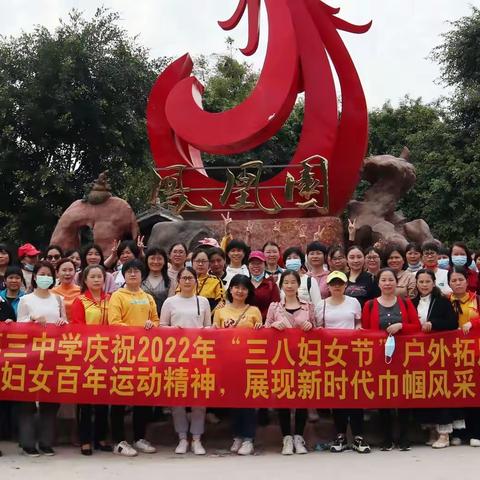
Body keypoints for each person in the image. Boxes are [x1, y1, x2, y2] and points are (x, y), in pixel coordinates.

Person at [362, 268, 421, 451]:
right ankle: (386, 438)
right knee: (383, 397)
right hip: (379, 357)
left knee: (403, 396)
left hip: (402, 357)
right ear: (378, 284)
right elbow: (365, 331)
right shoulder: (370, 305)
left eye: (391, 280)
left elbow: (416, 326)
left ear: (396, 283)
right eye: (384, 280)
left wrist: (401, 326)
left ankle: (404, 437)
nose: (387, 283)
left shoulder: (405, 303)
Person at [315, 271, 371, 454]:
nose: (337, 286)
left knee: (355, 393)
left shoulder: (353, 302)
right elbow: (318, 329)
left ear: (345, 285)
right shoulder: (320, 305)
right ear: (328, 286)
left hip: (352, 353)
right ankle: (340, 435)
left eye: (340, 283)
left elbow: (358, 323)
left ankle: (358, 436)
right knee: (336, 395)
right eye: (333, 283)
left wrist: (357, 330)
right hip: (331, 356)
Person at [108, 259, 159, 457]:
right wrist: (138, 331)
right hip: (123, 353)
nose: (133, 274)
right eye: (129, 271)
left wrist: (150, 326)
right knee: (120, 397)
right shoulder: (117, 296)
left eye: (137, 271)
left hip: (144, 354)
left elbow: (156, 321)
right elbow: (114, 323)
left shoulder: (147, 297)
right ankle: (119, 441)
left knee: (142, 396)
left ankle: (139, 438)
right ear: (123, 275)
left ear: (142, 275)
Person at [16, 261, 68, 456]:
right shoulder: (26, 300)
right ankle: (27, 442)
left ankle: (46, 442)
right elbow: (18, 327)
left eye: (48, 274)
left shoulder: (58, 299)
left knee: (50, 399)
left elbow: (65, 322)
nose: (45, 277)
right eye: (41, 273)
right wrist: (32, 321)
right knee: (27, 400)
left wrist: (63, 322)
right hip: (30, 355)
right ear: (35, 277)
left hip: (53, 354)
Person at [160, 267, 211, 455]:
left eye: (191, 278)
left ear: (196, 281)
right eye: (184, 278)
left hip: (199, 355)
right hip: (176, 356)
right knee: (178, 399)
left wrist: (208, 330)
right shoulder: (170, 302)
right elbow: (161, 326)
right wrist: (174, 330)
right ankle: (182, 437)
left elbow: (208, 326)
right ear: (178, 281)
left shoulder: (203, 301)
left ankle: (197, 438)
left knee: (199, 400)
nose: (188, 281)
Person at [265, 269, 313, 455]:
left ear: (298, 284)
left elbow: (318, 329)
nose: (290, 285)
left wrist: (311, 327)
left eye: (293, 282)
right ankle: (286, 438)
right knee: (283, 396)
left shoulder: (308, 306)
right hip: (281, 357)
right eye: (286, 282)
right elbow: (266, 328)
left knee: (302, 397)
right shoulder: (274, 307)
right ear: (282, 285)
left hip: (303, 358)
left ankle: (299, 437)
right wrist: (273, 327)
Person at [213, 274, 262, 456]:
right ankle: (237, 436)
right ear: (230, 289)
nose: (240, 291)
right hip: (228, 362)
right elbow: (214, 335)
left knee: (248, 401)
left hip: (249, 362)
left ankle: (249, 438)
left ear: (248, 291)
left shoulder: (254, 311)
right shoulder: (221, 310)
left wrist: (259, 330)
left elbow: (262, 336)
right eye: (236, 287)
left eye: (243, 288)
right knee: (233, 400)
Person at [411, 269, 459, 449]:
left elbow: (453, 324)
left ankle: (445, 433)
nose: (424, 285)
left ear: (433, 283)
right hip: (417, 355)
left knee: (440, 390)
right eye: (421, 282)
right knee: (424, 390)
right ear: (416, 283)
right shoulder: (411, 302)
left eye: (427, 282)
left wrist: (434, 324)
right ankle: (431, 429)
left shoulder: (442, 302)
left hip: (439, 353)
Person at [71, 265, 112, 455]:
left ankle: (101, 437)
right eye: (92, 277)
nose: (97, 280)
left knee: (104, 399)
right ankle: (85, 439)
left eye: (100, 277)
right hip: (86, 355)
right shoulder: (79, 301)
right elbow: (78, 327)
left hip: (108, 355)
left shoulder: (111, 299)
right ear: (85, 280)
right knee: (85, 400)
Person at [448, 266, 480, 446]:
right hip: (451, 354)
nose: (457, 283)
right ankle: (459, 433)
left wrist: (473, 323)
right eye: (454, 280)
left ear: (467, 281)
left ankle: (476, 432)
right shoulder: (445, 300)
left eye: (460, 279)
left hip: (475, 354)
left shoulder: (477, 300)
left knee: (475, 392)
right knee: (456, 393)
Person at [248, 250, 280, 322]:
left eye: (259, 263)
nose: (256, 266)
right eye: (253, 263)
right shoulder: (244, 283)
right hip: (246, 324)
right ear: (248, 265)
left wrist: (260, 319)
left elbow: (276, 306)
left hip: (266, 325)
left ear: (265, 265)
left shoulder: (271, 284)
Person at [190, 248, 224, 313]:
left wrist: (208, 316)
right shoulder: (185, 279)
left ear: (208, 263)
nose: (200, 264)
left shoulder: (215, 281)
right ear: (192, 263)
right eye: (197, 261)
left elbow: (222, 302)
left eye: (204, 261)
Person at [141, 247, 172, 314]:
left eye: (159, 259)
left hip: (163, 318)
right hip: (142, 317)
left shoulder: (170, 281)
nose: (155, 262)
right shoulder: (140, 280)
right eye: (152, 258)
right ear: (147, 260)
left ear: (164, 261)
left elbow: (171, 303)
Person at [52, 258, 81, 322]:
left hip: (78, 329)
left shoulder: (82, 291)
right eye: (64, 270)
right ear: (57, 272)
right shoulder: (51, 292)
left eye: (71, 270)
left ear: (75, 272)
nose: (67, 273)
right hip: (58, 329)